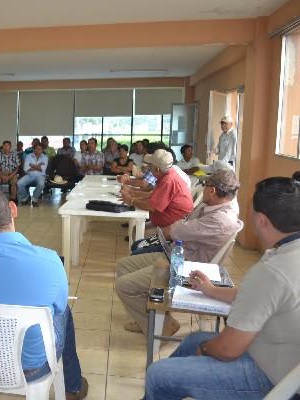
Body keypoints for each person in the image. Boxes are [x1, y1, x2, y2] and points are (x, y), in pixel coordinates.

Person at [144, 177, 300, 400]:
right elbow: (264, 298)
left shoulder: (273, 271)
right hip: (284, 358)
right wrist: (210, 290)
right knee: (191, 341)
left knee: (158, 375)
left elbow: (229, 349)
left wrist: (206, 349)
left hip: (271, 377)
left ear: (262, 220)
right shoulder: (287, 252)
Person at [0, 183, 89, 400]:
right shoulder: (48, 260)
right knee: (64, 312)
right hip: (33, 368)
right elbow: (58, 307)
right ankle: (72, 386)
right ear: (13, 209)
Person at [116, 169, 242, 335]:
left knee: (123, 285)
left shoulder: (219, 219)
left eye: (205, 185)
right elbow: (179, 226)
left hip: (186, 268)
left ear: (212, 191)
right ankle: (148, 320)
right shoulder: (211, 206)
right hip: (176, 254)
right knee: (123, 265)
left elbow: (174, 231)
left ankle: (163, 326)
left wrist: (176, 228)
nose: (203, 189)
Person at [120, 149, 193, 227]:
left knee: (136, 230)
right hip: (173, 220)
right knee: (136, 227)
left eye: (150, 166)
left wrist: (131, 200)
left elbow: (151, 206)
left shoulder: (168, 181)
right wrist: (132, 193)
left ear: (157, 169)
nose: (148, 167)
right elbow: (153, 195)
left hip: (175, 226)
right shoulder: (168, 175)